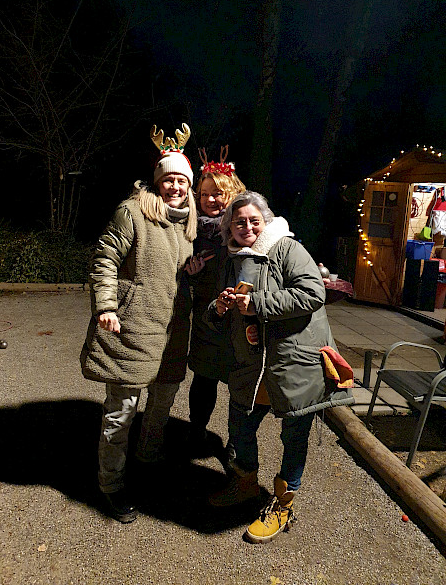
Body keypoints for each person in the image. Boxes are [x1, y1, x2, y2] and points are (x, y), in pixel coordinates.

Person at [206, 191, 354, 543]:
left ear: (266, 221)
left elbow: (312, 293)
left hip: (293, 361)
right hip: (251, 363)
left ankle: (283, 504)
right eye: (239, 222)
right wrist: (220, 307)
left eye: (254, 220)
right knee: (241, 425)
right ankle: (245, 484)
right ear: (229, 227)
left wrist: (257, 303)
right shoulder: (231, 258)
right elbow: (221, 304)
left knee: (294, 435)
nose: (247, 227)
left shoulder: (287, 249)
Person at [80, 123, 196, 524]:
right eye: (169, 179)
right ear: (158, 181)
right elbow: (105, 259)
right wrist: (106, 306)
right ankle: (111, 484)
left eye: (182, 180)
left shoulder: (189, 222)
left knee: (161, 404)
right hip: (132, 326)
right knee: (121, 412)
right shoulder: (132, 212)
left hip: (173, 330)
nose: (175, 186)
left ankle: (149, 460)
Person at [184, 146, 245, 453]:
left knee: (239, 385)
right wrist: (192, 274)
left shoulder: (244, 227)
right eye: (204, 194)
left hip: (240, 318)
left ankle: (236, 445)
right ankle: (196, 431)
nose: (210, 200)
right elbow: (183, 279)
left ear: (231, 194)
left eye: (217, 194)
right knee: (204, 379)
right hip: (208, 317)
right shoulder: (190, 229)